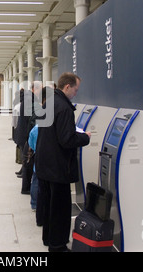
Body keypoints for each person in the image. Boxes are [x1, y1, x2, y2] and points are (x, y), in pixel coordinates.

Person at [35, 73, 91, 252]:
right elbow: (67, 140)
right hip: (58, 167)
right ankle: (58, 245)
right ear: (67, 87)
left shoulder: (49, 103)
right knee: (60, 209)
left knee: (49, 205)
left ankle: (48, 239)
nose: (76, 93)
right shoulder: (64, 108)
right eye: (75, 89)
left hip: (45, 163)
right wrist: (85, 137)